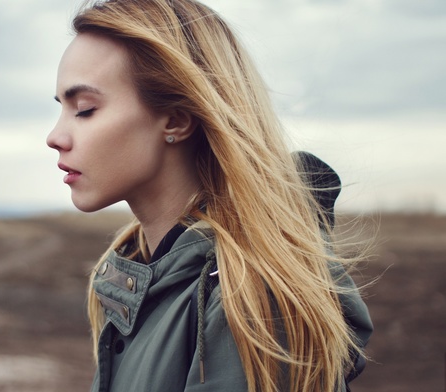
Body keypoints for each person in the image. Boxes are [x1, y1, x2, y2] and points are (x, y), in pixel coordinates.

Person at [46, 1, 373, 391]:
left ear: (177, 119)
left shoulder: (249, 302)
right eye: (62, 109)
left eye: (84, 109)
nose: (55, 137)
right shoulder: (139, 276)